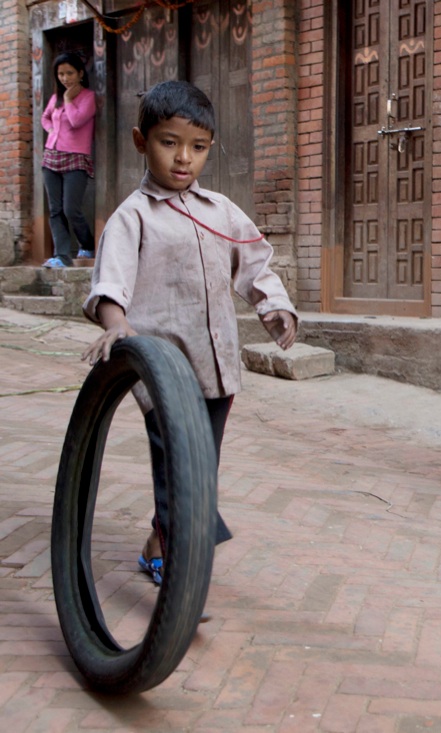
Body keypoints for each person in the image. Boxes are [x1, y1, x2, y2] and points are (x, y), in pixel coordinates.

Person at [81, 80, 298, 586]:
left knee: (204, 464)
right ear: (142, 141)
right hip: (162, 373)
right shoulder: (131, 218)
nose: (183, 158)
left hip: (217, 367)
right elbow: (110, 284)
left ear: (209, 149)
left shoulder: (221, 211)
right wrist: (117, 327)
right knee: (179, 465)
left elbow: (255, 263)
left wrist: (275, 308)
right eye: (168, 142)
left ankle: (166, 538)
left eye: (197, 147)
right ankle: (181, 569)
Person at [41, 52, 97, 267]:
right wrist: (52, 129)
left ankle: (87, 243)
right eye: (61, 74)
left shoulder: (88, 97)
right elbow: (46, 117)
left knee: (70, 209)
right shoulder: (54, 97)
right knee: (55, 210)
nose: (65, 78)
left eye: (69, 73)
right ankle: (62, 257)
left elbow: (75, 121)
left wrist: (68, 99)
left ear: (80, 73)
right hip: (51, 157)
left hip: (76, 158)